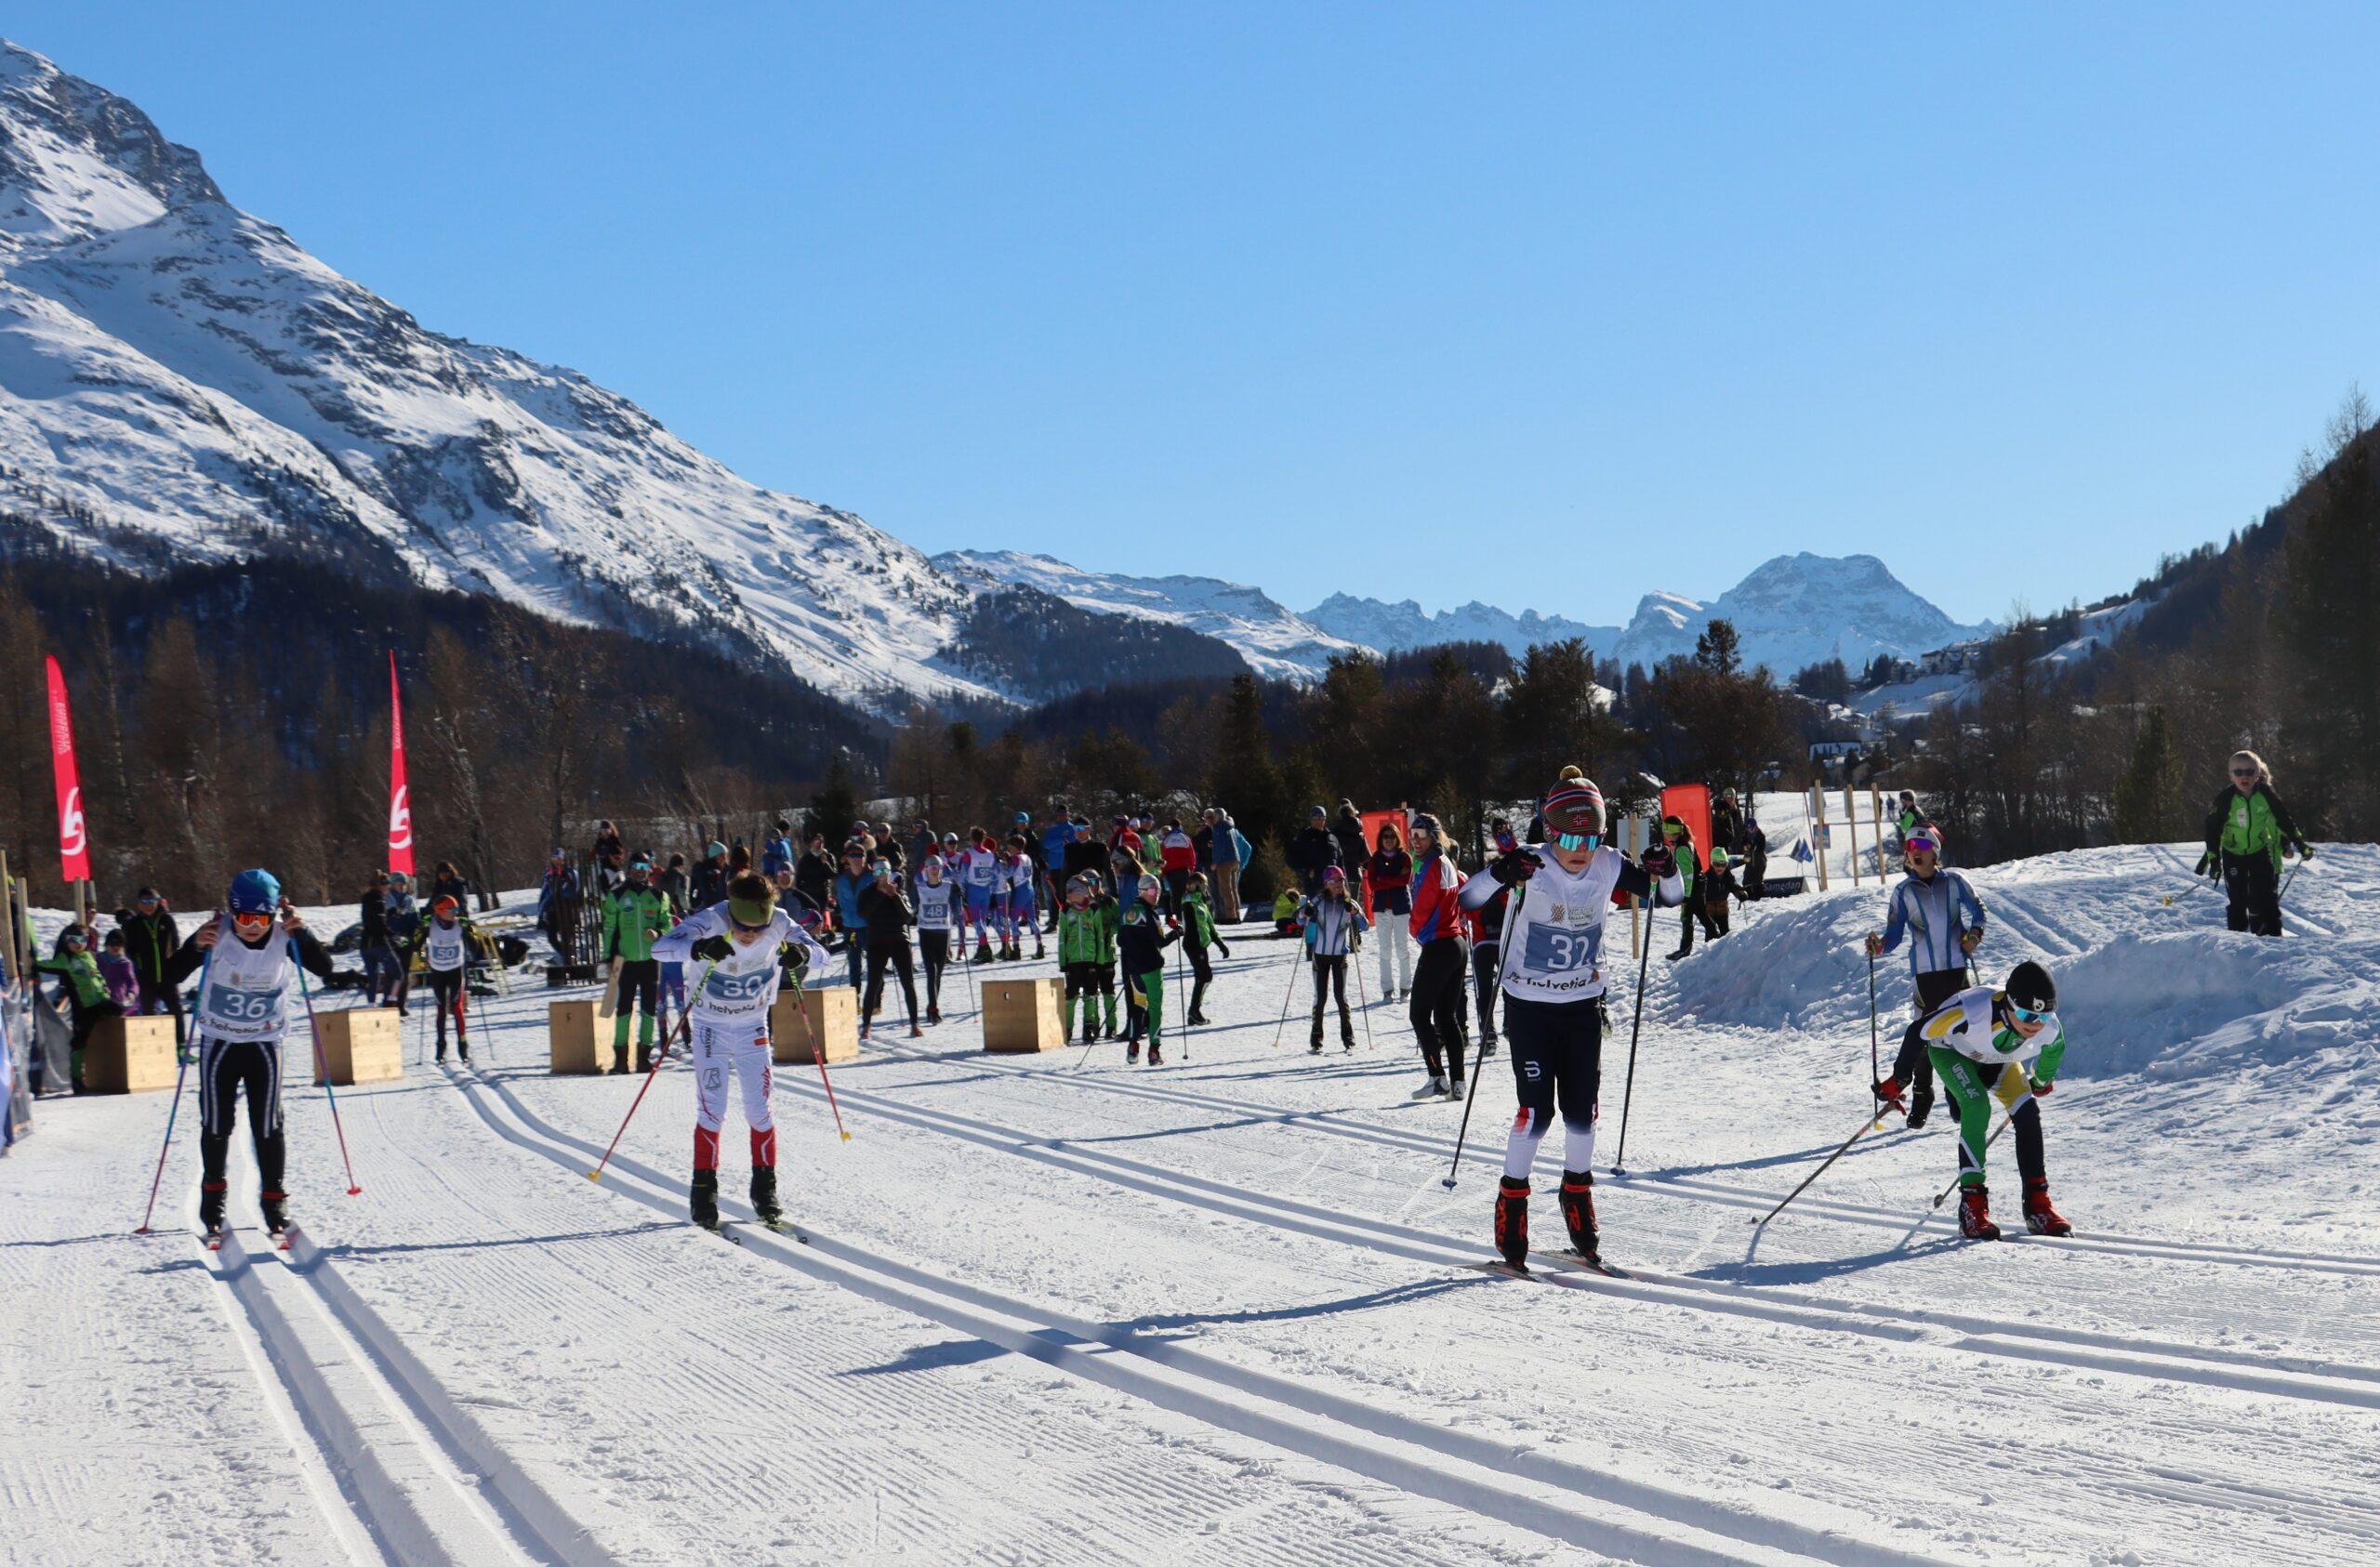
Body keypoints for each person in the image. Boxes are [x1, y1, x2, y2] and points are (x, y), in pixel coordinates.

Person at [1456, 777, 1683, 1268]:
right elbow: (1468, 901)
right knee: (1535, 1115)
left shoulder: (1607, 864)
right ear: (1551, 833)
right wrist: (1500, 872)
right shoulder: (1531, 865)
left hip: (1582, 1007)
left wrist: (1666, 868)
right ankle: (1512, 1200)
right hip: (1530, 1009)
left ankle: (1576, 1195)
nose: (1581, 851)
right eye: (1570, 839)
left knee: (1583, 1113)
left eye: (1591, 839)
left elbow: (1670, 897)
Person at [162, 870, 337, 1239]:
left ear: (274, 913)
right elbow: (170, 977)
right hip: (219, 1042)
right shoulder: (216, 932)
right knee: (216, 1123)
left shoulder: (284, 935)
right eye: (244, 918)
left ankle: (273, 1202)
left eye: (262, 918)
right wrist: (194, 946)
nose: (253, 926)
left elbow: (325, 969)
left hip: (265, 1043)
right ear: (232, 912)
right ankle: (212, 1202)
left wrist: (302, 935)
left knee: (268, 1124)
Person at [652, 871, 832, 1229]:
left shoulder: (780, 922)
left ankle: (765, 1190)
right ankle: (704, 1192)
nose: (750, 935)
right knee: (712, 1109)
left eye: (758, 929)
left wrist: (801, 953)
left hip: (753, 1027)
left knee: (760, 1110)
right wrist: (698, 947)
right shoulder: (711, 920)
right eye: (743, 928)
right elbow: (660, 948)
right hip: (709, 1029)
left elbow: (822, 955)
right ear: (731, 915)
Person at [1874, 960, 2073, 1240]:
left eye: (2042, 1018)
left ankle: (2038, 1206)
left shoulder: (2049, 1027)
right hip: (1952, 1053)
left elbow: (2054, 1051)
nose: (2036, 1026)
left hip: (1999, 1060)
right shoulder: (1970, 1012)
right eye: (2028, 1017)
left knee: (2028, 1111)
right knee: (1977, 1106)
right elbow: (1917, 1032)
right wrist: (1899, 1080)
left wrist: (2039, 1083)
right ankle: (1972, 1206)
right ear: (2009, 1005)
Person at [1863, 828, 1987, 1127]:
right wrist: (1879, 946)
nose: (1914, 851)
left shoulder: (1955, 882)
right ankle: (1922, 1093)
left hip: (1956, 970)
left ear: (1934, 852)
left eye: (1921, 845)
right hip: (1924, 975)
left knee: (1960, 1034)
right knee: (1923, 1035)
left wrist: (1974, 936)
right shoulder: (1904, 892)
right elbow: (1893, 934)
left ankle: (1957, 1093)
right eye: (1908, 847)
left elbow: (1979, 910)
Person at [2198, 750, 2311, 938]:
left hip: (2259, 851)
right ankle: (2236, 941)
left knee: (2267, 898)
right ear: (2230, 775)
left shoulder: (2265, 794)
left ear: (2258, 774)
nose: (2244, 776)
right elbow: (2212, 830)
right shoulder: (2226, 798)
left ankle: (2274, 938)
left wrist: (2299, 843)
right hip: (2233, 854)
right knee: (2238, 901)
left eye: (2250, 772)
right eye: (2238, 772)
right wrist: (2214, 861)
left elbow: (2283, 819)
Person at [1406, 812, 1472, 1100]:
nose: (1414, 841)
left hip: (1441, 944)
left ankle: (1437, 1077)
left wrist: (1414, 928)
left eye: (1420, 835)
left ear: (1433, 836)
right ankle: (1458, 1082)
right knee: (1446, 1017)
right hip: (1456, 943)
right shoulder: (1445, 863)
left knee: (1419, 1014)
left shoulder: (1435, 864)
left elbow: (1424, 905)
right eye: (1412, 835)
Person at [603, 854, 672, 1072]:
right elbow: (609, 930)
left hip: (650, 962)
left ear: (649, 869)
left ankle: (644, 1057)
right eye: (635, 866)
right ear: (629, 868)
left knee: (649, 1010)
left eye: (644, 866)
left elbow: (668, 925)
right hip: (625, 961)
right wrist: (608, 957)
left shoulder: (658, 896)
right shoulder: (617, 896)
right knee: (623, 1010)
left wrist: (659, 932)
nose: (639, 871)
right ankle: (620, 1059)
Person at [1300, 866, 1371, 1053]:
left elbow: (1365, 925)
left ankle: (1348, 1038)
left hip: (1340, 956)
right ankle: (1316, 1039)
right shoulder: (1319, 901)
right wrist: (1305, 911)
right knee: (1320, 997)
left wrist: (1354, 913)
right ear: (1326, 883)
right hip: (1320, 956)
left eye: (1340, 880)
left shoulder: (1349, 902)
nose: (1337, 885)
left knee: (1341, 996)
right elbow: (1301, 919)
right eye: (1332, 881)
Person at [1468, 818, 1523, 1059]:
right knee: (1508, 986)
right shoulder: (1506, 892)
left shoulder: (1478, 893)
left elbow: (1466, 910)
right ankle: (1510, 1026)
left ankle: (1488, 1034)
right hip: (1504, 943)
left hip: (1482, 945)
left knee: (1484, 991)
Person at [37, 926, 117, 1090]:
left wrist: (105, 987)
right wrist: (33, 962)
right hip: (84, 1007)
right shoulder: (65, 959)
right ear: (67, 942)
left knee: (119, 1012)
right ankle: (76, 1078)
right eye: (74, 940)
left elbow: (97, 975)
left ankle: (114, 1066)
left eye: (83, 940)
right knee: (80, 1042)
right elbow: (47, 965)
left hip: (101, 1001)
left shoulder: (88, 956)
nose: (79, 944)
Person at [402, 894, 478, 1061]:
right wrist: (422, 928)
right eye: (452, 910)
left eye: (457, 909)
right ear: (440, 911)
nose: (455, 913)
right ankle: (441, 1046)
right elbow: (414, 945)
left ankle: (462, 1046)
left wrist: (469, 930)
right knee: (441, 1009)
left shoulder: (459, 923)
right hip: (438, 972)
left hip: (456, 970)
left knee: (457, 1008)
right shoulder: (431, 924)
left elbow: (475, 946)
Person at [1117, 876, 1181, 1065]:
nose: (1156, 895)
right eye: (1152, 891)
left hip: (1134, 969)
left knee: (1139, 1007)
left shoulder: (1129, 912)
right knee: (1154, 1008)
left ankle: (1133, 1046)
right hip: (1151, 968)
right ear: (1142, 891)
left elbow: (1121, 940)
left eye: (1158, 891)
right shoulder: (1149, 914)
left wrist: (1135, 945)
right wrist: (1177, 933)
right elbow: (1160, 942)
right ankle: (1154, 1052)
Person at [857, 862, 924, 1039]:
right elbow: (864, 914)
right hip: (877, 942)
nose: (883, 874)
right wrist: (880, 894)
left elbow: (908, 916)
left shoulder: (899, 892)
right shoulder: (867, 893)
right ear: (874, 874)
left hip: (899, 940)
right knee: (873, 984)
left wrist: (894, 896)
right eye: (879, 870)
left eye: (886, 870)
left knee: (908, 983)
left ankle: (914, 1024)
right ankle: (866, 1026)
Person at [114, 887, 186, 1045]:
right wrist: (138, 966)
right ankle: (153, 1044)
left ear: (157, 901)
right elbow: (129, 949)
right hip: (146, 977)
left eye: (151, 901)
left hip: (168, 975)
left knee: (176, 1009)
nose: (148, 905)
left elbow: (175, 942)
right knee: (148, 1012)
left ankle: (180, 1043)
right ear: (139, 904)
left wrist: (172, 961)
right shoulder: (134, 924)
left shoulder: (166, 920)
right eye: (144, 902)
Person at [1059, 872, 1121, 1044]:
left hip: (1103, 955)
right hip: (1080, 958)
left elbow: (1118, 923)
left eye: (1095, 881)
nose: (1093, 885)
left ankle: (1109, 1025)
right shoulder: (1069, 910)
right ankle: (1088, 1025)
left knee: (1104, 991)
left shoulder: (1107, 902)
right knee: (1080, 992)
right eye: (1089, 882)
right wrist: (1063, 962)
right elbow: (1063, 937)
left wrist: (1111, 930)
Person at [1368, 821, 1415, 1002]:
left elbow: (1404, 881)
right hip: (1381, 909)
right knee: (1385, 950)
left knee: (1403, 949)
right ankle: (1387, 989)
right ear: (1381, 839)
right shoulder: (1375, 859)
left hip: (1401, 908)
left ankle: (1405, 987)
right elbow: (1373, 884)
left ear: (1397, 838)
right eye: (1385, 837)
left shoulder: (1405, 858)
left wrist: (1383, 879)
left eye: (1392, 837)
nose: (1389, 840)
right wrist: (1393, 878)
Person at [913, 854, 961, 1024]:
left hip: (943, 932)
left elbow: (958, 908)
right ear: (926, 870)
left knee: (938, 973)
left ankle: (931, 1005)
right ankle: (934, 1009)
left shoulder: (948, 886)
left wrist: (959, 895)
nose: (934, 870)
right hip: (926, 933)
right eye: (931, 867)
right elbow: (911, 907)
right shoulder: (919, 887)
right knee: (931, 972)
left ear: (941, 870)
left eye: (937, 867)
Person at [1181, 871, 1230, 1025]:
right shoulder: (1189, 901)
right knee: (1205, 976)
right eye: (1203, 885)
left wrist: (1221, 944)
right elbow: (1189, 921)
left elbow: (1209, 925)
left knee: (1201, 977)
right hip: (1193, 944)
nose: (1205, 888)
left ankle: (1194, 1012)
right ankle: (1194, 1010)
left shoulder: (1202, 902)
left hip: (1202, 944)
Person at [1661, 816, 1711, 961]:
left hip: (1692, 889)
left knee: (1690, 916)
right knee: (1696, 916)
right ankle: (1688, 947)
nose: (1664, 833)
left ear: (1671, 831)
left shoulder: (1682, 847)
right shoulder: (1682, 844)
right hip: (1697, 885)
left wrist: (1685, 895)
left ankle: (1687, 948)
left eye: (1665, 829)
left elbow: (1687, 873)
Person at [358, 871, 404, 1010]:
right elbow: (379, 924)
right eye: (387, 886)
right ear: (381, 886)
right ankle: (392, 1002)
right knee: (398, 974)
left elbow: (371, 919)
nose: (387, 889)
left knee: (373, 978)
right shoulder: (379, 899)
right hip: (379, 944)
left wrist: (389, 913)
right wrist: (393, 935)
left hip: (365, 945)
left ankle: (371, 1007)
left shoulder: (367, 899)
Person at [832, 842, 873, 992]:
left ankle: (876, 996)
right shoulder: (842, 880)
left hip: (868, 927)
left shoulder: (871, 877)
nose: (856, 858)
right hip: (850, 927)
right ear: (847, 859)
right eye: (853, 855)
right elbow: (840, 902)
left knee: (874, 963)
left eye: (860, 855)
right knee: (854, 964)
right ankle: (854, 997)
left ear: (865, 858)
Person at [1003, 836, 1046, 959]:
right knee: (1032, 919)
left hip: (1021, 889)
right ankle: (1039, 946)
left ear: (1015, 847)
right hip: (1029, 888)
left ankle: (1016, 949)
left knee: (1014, 919)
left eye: (1010, 847)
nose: (1008, 849)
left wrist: (1001, 865)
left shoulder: (1016, 858)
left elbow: (1008, 873)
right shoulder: (1026, 857)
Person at [537, 850, 583, 957]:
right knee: (552, 937)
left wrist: (563, 893)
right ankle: (565, 955)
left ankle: (569, 957)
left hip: (567, 911)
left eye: (559, 859)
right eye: (554, 859)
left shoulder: (571, 873)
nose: (556, 861)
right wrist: (540, 916)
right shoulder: (549, 875)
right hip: (553, 911)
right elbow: (544, 895)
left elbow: (575, 890)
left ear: (563, 860)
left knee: (567, 938)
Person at [1207, 808, 1248, 924]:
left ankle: (1231, 916)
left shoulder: (1218, 827)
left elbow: (1221, 848)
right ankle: (1237, 914)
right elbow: (1227, 843)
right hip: (1235, 860)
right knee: (1233, 889)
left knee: (1226, 889)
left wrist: (1216, 862)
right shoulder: (1230, 826)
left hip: (1225, 862)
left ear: (1217, 817)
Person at [1288, 806, 1340, 894]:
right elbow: (1290, 858)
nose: (1319, 821)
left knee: (1333, 907)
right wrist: (1306, 870)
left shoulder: (1331, 837)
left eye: (1322, 818)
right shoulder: (1303, 837)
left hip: (1333, 883)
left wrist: (1342, 879)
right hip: (1313, 884)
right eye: (1315, 818)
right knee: (1317, 907)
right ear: (1311, 820)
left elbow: (1340, 860)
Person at [1700, 848, 1748, 937]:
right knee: (1712, 932)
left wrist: (1740, 893)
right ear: (1712, 863)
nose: (1720, 868)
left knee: (1725, 933)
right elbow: (1700, 891)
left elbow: (1733, 886)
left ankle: (1724, 949)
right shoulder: (1706, 877)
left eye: (1724, 864)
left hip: (1723, 909)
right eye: (1717, 864)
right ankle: (1710, 949)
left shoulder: (1727, 876)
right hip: (1709, 910)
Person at [1330, 804, 1371, 901]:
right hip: (1354, 874)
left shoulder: (1334, 832)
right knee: (1352, 905)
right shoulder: (1359, 833)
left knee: (1339, 906)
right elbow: (1365, 857)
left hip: (1339, 875)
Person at [1159, 820, 1197, 915]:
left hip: (1171, 871)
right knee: (1185, 892)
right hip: (1184, 870)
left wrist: (1163, 871)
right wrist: (1192, 868)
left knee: (1175, 895)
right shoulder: (1185, 838)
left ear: (1171, 827)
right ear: (1180, 826)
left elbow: (1162, 857)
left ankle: (1178, 915)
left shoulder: (1166, 840)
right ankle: (1187, 913)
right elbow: (1192, 855)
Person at [98, 929, 139, 1009]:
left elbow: (133, 982)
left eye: (119, 944)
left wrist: (132, 992)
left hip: (118, 1002)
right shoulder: (99, 959)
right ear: (106, 944)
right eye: (112, 944)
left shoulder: (125, 963)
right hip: (99, 1000)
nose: (115, 947)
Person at [692, 840, 732, 911]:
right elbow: (707, 894)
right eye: (722, 855)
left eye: (726, 855)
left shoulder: (725, 871)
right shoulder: (705, 871)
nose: (725, 858)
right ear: (715, 857)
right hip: (708, 908)